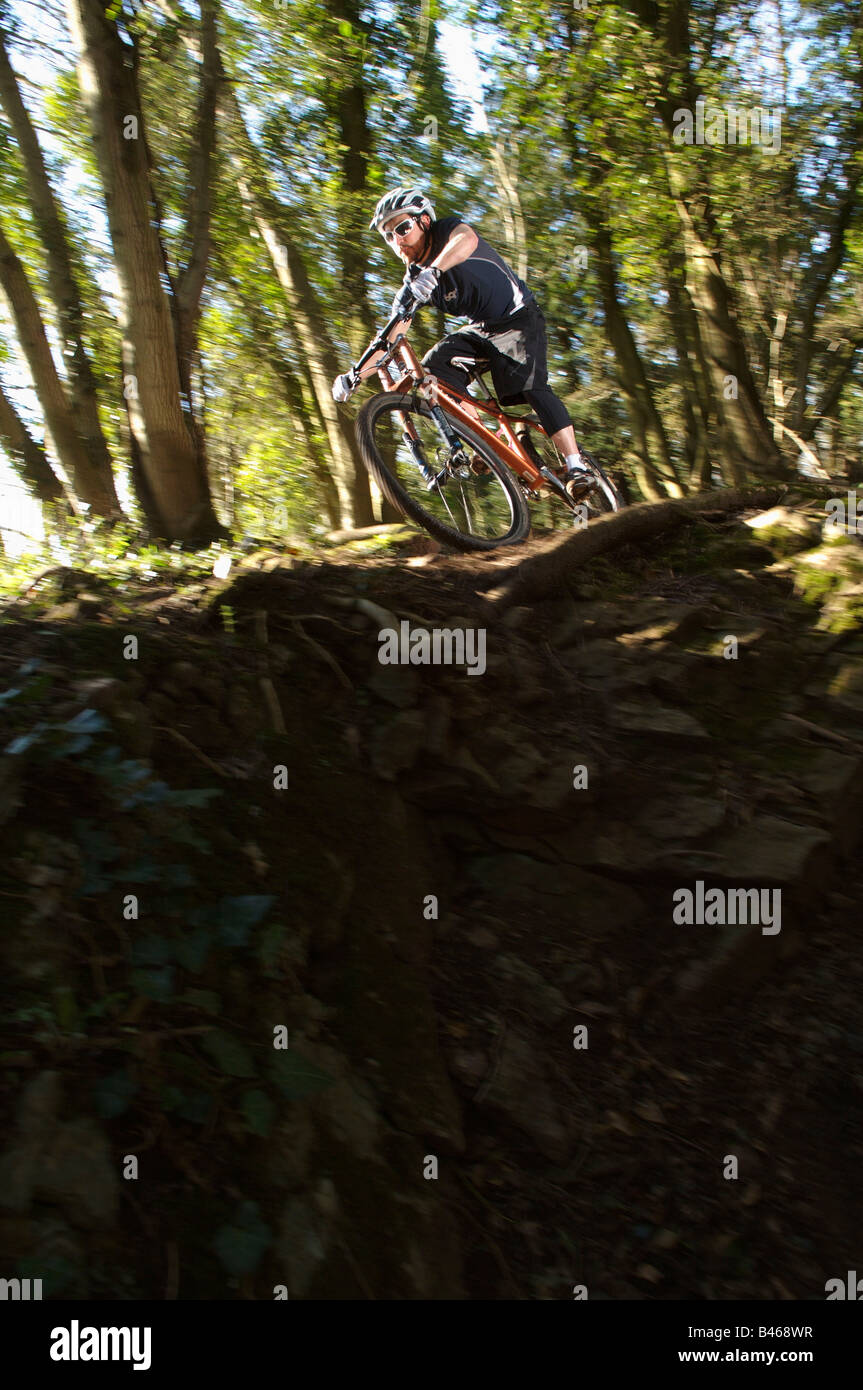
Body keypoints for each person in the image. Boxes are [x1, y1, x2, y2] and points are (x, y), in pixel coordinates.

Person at [332, 186, 595, 496]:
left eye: (402, 228)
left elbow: (467, 240)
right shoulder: (412, 283)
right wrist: (355, 376)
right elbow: (392, 337)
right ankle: (490, 438)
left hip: (518, 316)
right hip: (481, 330)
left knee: (530, 388)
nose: (397, 240)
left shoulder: (447, 232)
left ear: (425, 222)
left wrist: (435, 270)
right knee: (432, 371)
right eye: (389, 237)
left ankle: (576, 465)